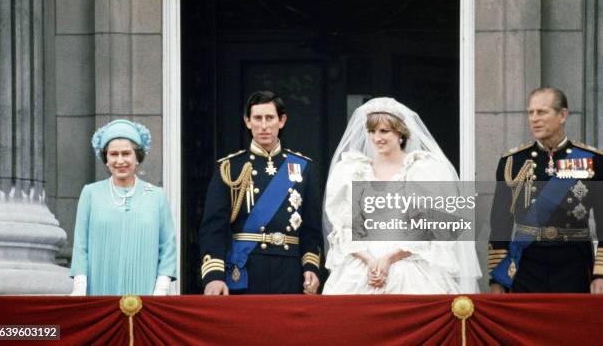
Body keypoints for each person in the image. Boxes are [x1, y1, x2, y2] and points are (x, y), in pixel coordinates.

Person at [322, 97, 480, 294]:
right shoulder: (352, 171)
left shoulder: (423, 170)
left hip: (410, 266)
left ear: (401, 133)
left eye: (384, 131)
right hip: (361, 267)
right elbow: (343, 228)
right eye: (372, 131)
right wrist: (370, 261)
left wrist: (390, 259)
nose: (376, 137)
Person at [199, 91, 323, 295]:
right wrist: (214, 276)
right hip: (246, 268)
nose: (264, 126)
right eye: (257, 118)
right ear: (247, 121)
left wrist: (310, 267)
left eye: (270, 118)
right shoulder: (230, 168)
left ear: (281, 121)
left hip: (290, 271)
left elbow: (311, 229)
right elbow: (213, 228)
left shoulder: (301, 167)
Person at [488, 87, 603, 293]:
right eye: (530, 112)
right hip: (527, 262)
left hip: (574, 261)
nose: (534, 118)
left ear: (563, 115)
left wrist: (600, 273)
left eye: (542, 112)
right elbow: (500, 225)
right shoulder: (513, 161)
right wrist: (497, 278)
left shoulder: (591, 160)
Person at [70, 119, 177, 295]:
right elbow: (81, 244)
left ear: (137, 157)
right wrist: (80, 285)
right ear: (106, 158)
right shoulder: (90, 193)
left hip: (146, 292)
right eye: (113, 154)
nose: (120, 161)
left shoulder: (156, 195)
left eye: (126, 153)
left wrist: (162, 287)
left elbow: (167, 246)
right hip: (100, 288)